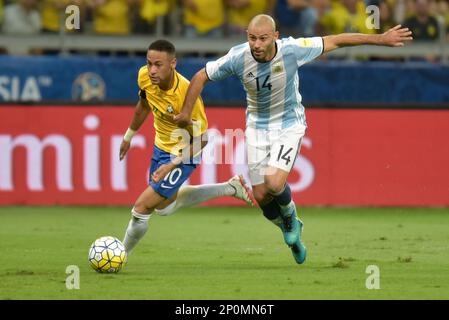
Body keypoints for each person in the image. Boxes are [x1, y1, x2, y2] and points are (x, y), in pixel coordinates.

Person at [173, 14, 413, 264]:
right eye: (252, 38)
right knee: (261, 196)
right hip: (257, 127)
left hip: (289, 124)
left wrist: (381, 39)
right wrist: (186, 113)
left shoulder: (292, 50)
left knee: (274, 183)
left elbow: (337, 40)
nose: (256, 44)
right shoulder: (238, 57)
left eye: (263, 38)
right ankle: (291, 228)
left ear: (275, 37)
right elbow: (201, 76)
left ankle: (289, 216)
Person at [120, 39, 254, 256]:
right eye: (149, 63)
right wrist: (129, 136)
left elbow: (202, 140)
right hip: (160, 147)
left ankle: (119, 254)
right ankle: (230, 188)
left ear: (173, 63)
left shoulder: (186, 95)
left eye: (158, 65)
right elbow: (144, 105)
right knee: (164, 208)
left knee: (141, 208)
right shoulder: (144, 76)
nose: (152, 70)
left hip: (185, 153)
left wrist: (171, 165)